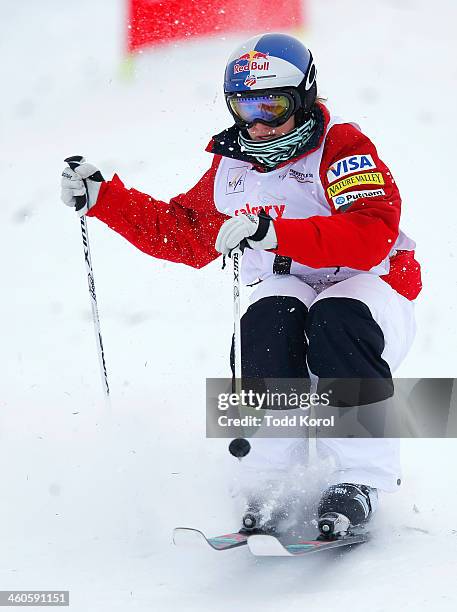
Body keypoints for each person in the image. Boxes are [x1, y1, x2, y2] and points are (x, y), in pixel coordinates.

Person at [61, 33, 421, 538]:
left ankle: (360, 478)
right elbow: (185, 234)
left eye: (273, 106)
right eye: (243, 106)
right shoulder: (233, 166)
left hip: (368, 289)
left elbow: (369, 233)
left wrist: (275, 233)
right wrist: (105, 201)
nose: (257, 123)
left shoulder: (341, 148)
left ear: (304, 97)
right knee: (270, 320)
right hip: (292, 288)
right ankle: (270, 477)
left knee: (337, 319)